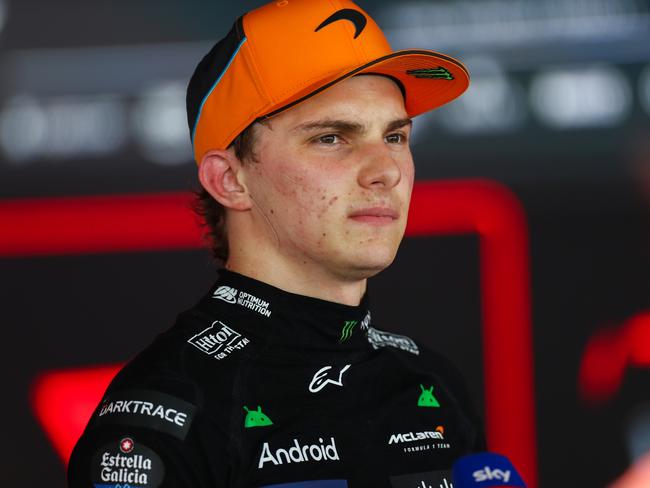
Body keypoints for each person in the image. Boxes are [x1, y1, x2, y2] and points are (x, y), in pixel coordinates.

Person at [67, 0, 485, 486]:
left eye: (395, 136)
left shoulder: (431, 383)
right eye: (332, 138)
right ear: (229, 180)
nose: (387, 171)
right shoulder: (167, 415)